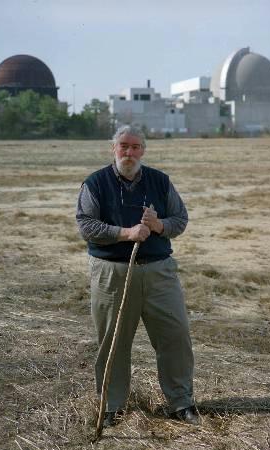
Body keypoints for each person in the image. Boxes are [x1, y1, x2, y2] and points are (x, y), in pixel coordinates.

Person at [76, 125, 198, 427]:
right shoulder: (95, 183)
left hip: (159, 273)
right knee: (113, 341)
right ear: (113, 148)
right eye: (123, 146)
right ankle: (111, 405)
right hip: (112, 274)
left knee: (175, 336)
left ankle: (181, 402)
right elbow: (86, 226)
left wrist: (157, 225)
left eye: (134, 147)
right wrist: (125, 233)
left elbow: (180, 220)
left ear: (143, 149)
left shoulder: (160, 181)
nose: (128, 153)